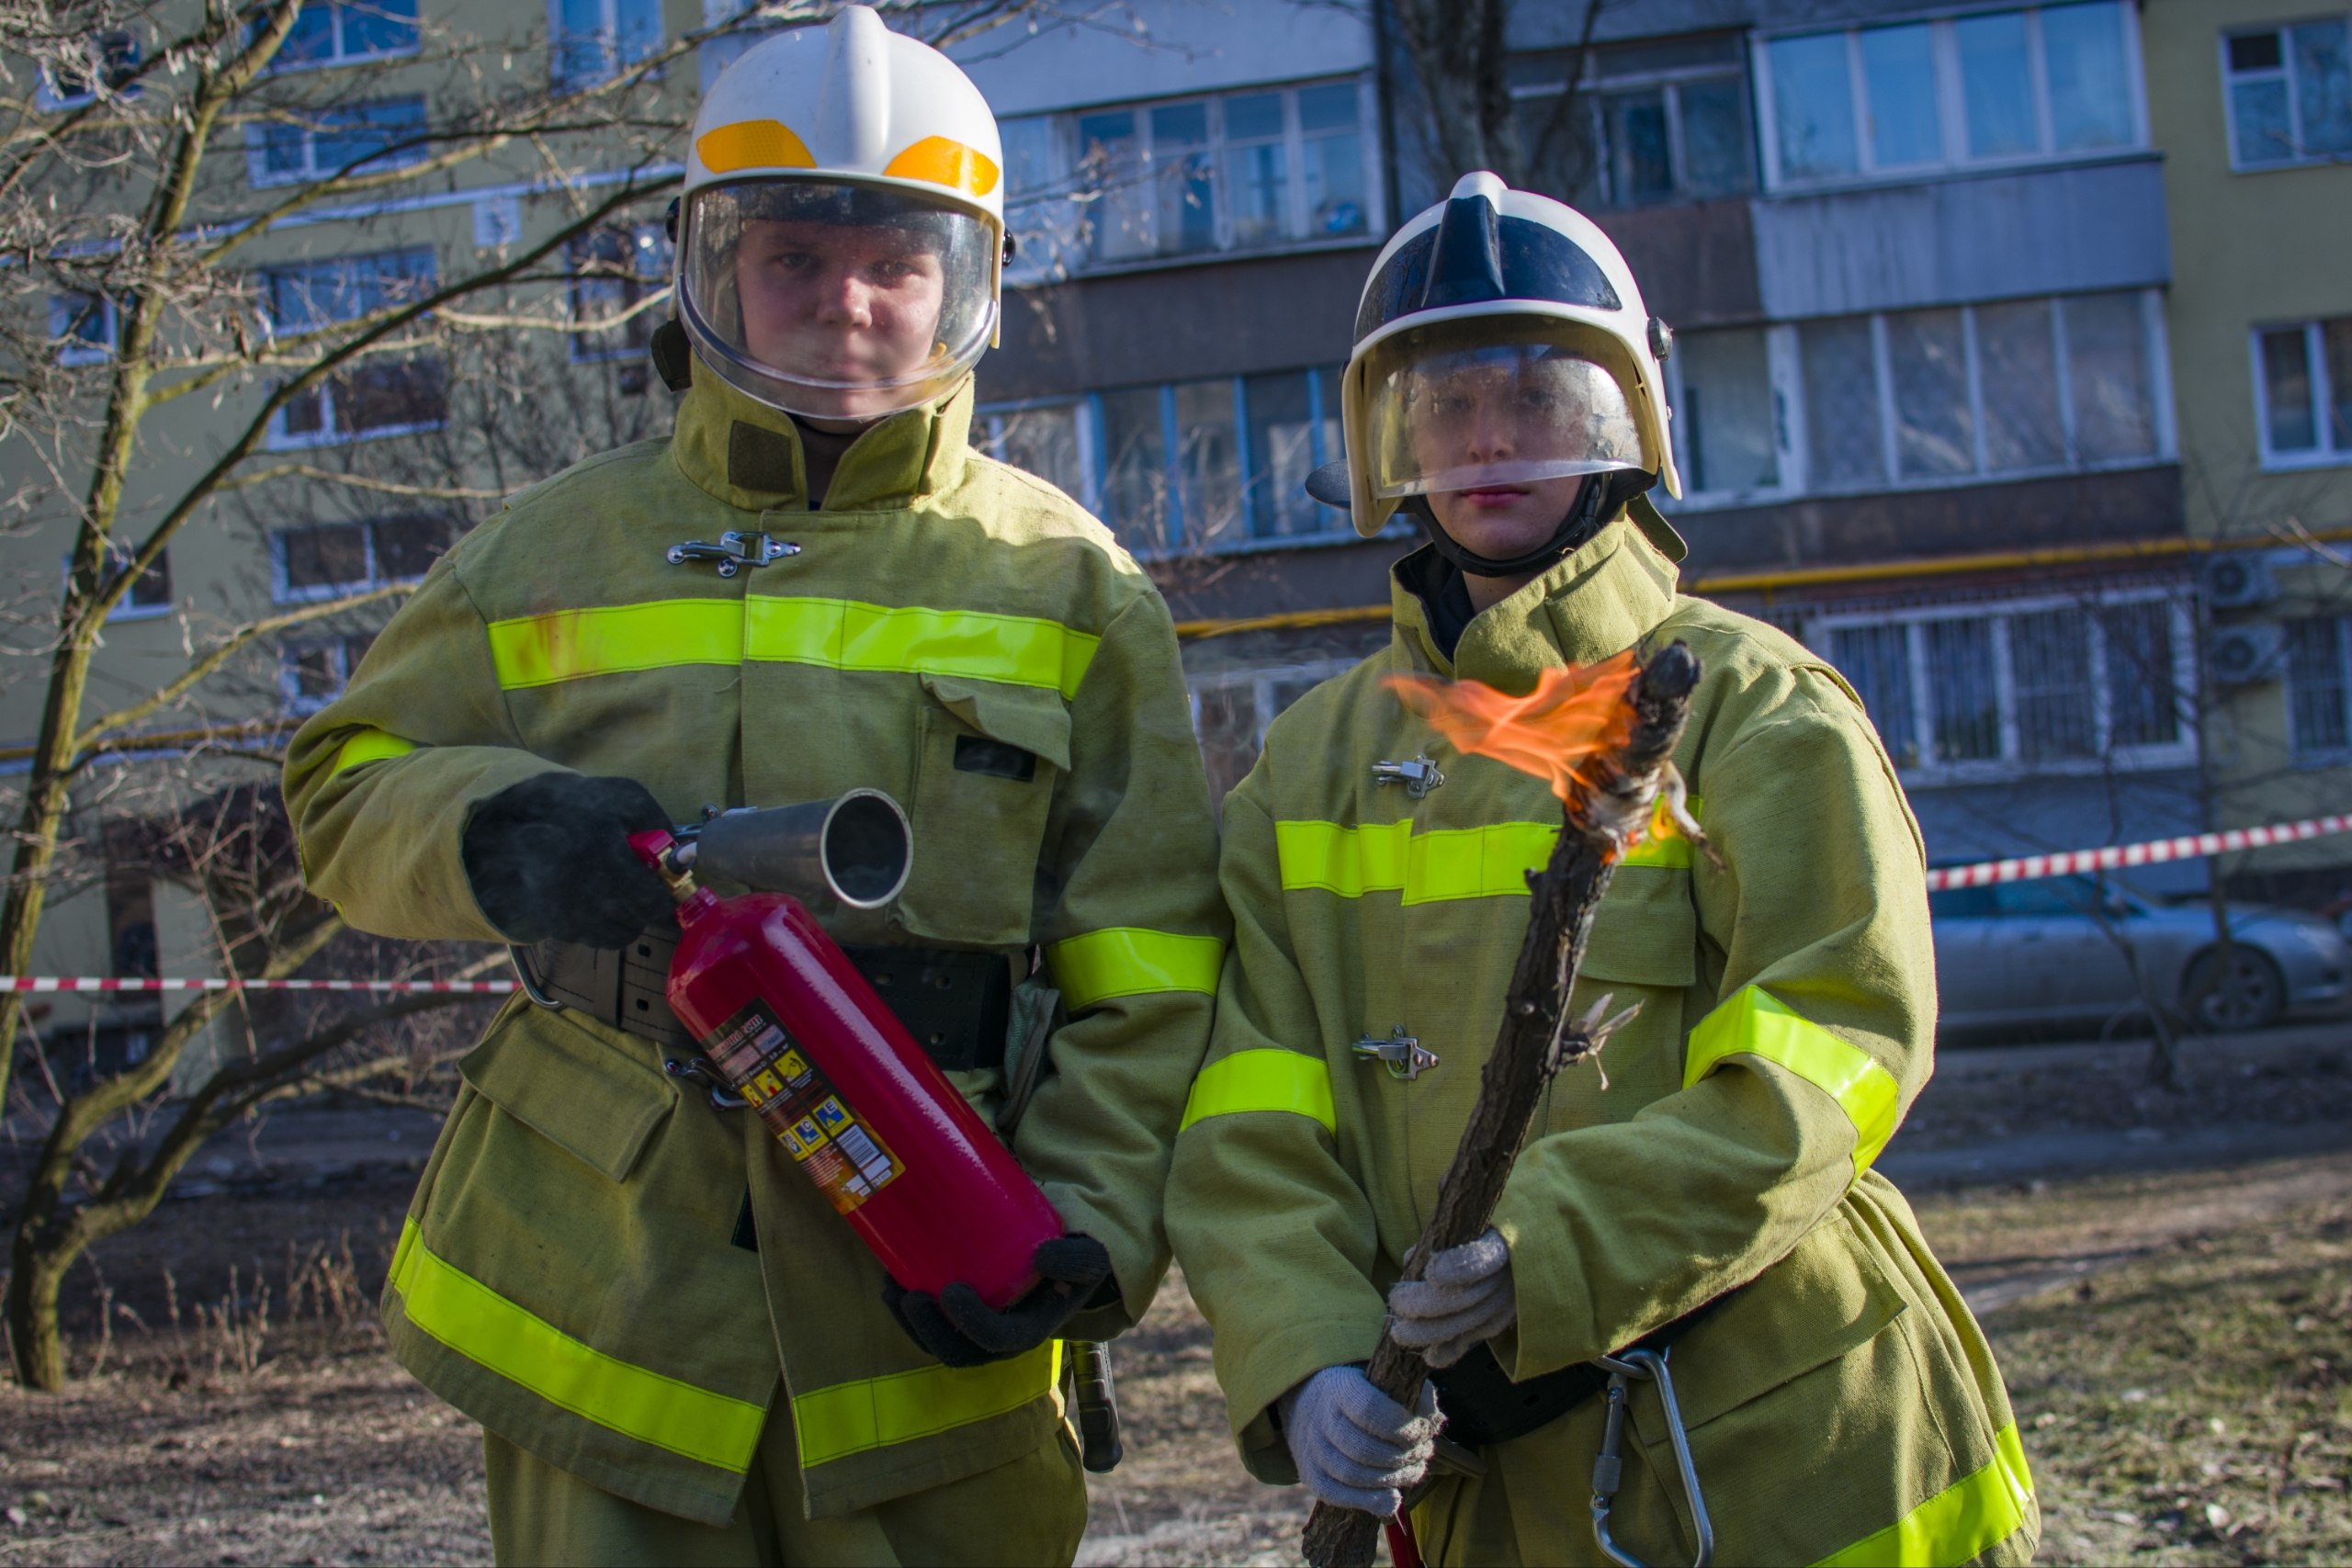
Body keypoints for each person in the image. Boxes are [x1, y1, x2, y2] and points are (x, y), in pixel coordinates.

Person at [280, 10, 1225, 1564]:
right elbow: (342, 782)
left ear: (963, 286)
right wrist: (493, 831)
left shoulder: (1066, 585)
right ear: (711, 268)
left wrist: (1088, 1231)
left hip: (933, 1277)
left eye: (895, 265)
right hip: (609, 1293)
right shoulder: (549, 551)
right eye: (793, 257)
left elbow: (1158, 962)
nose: (845, 302)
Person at [1164, 172, 2040, 1567]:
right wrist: (1308, 1347)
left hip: (1781, 1454)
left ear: (1629, 423)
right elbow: (1245, 1107)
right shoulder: (1306, 768)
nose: (1489, 438)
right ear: (1384, 437)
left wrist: (1550, 1251)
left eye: (1539, 398)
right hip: (1471, 1486)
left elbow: (1842, 1048)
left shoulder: (1756, 705)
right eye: (1445, 404)